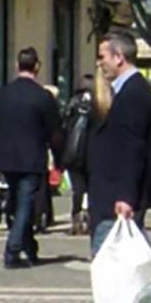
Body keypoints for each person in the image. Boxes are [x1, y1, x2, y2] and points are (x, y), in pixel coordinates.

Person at [0, 47, 63, 269]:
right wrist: (60, 161)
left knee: (14, 206)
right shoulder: (43, 97)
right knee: (24, 205)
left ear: (17, 66)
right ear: (37, 67)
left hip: (5, 159)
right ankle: (12, 250)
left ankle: (30, 248)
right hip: (32, 161)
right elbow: (56, 133)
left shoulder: (2, 95)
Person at [86, 31, 151, 256]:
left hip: (115, 197)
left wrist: (126, 196)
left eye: (102, 56)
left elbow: (132, 149)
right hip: (114, 193)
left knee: (110, 260)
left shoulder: (134, 95)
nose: (99, 63)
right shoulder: (129, 91)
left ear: (118, 57)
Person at [59, 76, 95, 236]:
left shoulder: (72, 103)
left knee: (77, 190)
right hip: (92, 153)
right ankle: (91, 219)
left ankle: (76, 221)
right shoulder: (99, 102)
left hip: (73, 153)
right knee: (93, 188)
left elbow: (64, 127)